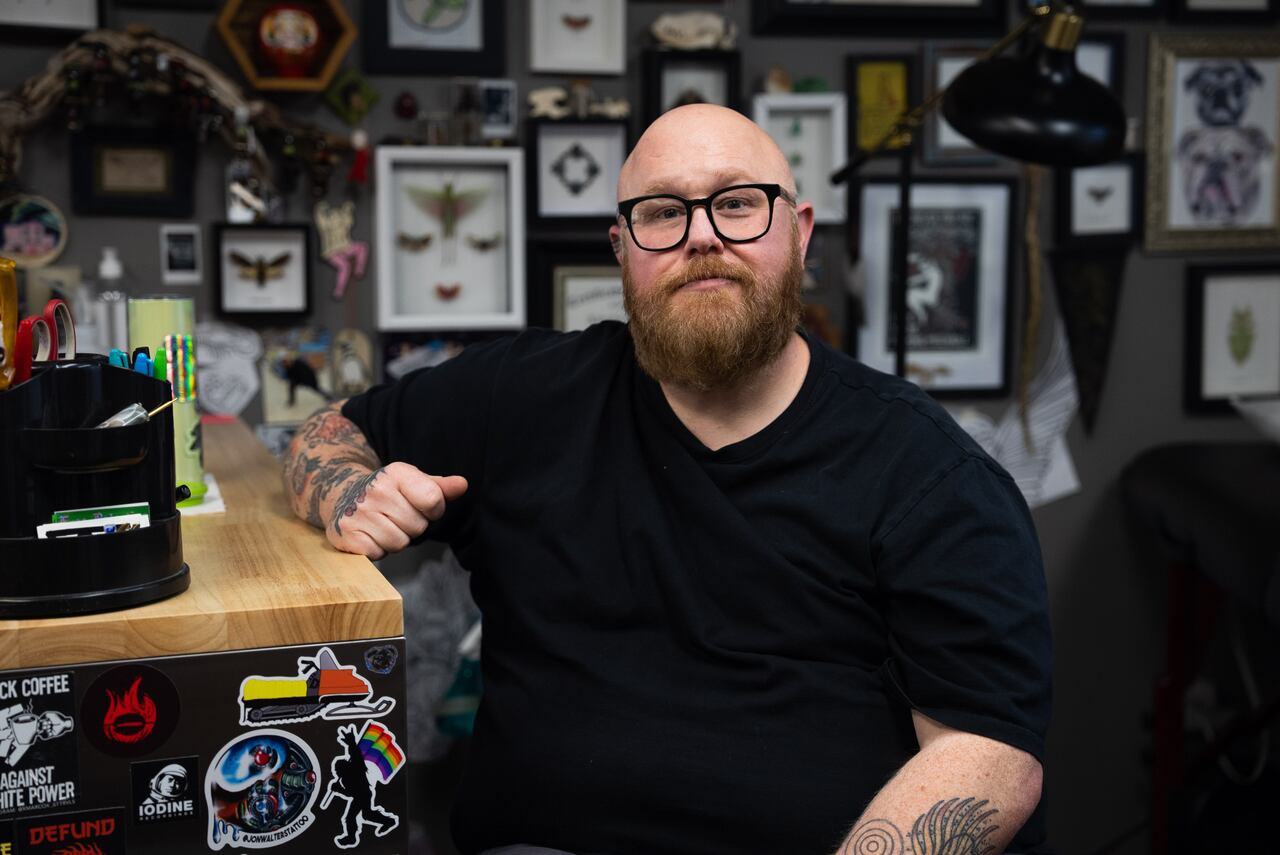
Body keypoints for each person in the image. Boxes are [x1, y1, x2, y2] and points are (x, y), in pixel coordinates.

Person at [282, 104, 1051, 855]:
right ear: (622, 249)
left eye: (738, 203)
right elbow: (328, 430)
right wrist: (349, 492)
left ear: (800, 232)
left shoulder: (928, 470)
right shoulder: (523, 396)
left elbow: (987, 756)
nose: (702, 235)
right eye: (662, 212)